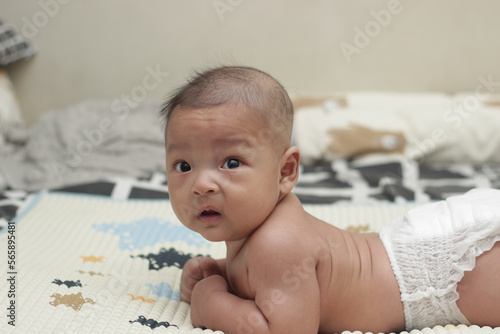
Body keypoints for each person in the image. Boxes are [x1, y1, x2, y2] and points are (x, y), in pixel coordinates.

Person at [161, 65, 500, 333]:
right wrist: (224, 273)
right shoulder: (265, 230)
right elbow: (282, 282)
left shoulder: (277, 242)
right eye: (183, 165)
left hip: (449, 276)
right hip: (425, 249)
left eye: (231, 163)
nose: (201, 184)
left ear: (285, 172)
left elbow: (284, 330)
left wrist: (212, 302)